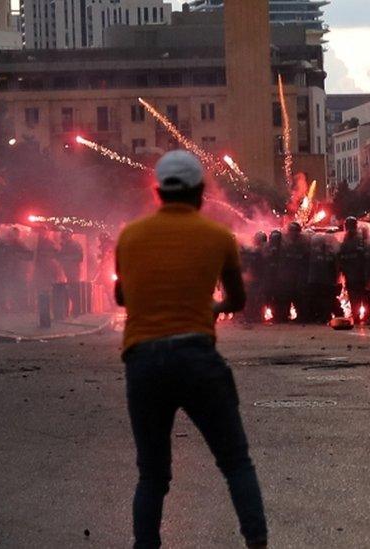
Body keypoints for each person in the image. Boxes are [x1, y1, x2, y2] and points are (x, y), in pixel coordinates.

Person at [114, 150, 267, 549]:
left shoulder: (130, 236)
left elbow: (121, 295)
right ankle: (257, 541)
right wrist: (212, 306)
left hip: (143, 361)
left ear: (157, 192)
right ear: (200, 192)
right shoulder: (219, 238)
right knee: (235, 462)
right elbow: (236, 300)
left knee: (152, 475)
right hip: (198, 359)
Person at [337, 217, 368, 324]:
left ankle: (361, 315)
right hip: (351, 272)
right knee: (355, 295)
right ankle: (357, 315)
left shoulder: (359, 237)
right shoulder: (346, 238)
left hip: (358, 272)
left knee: (360, 294)